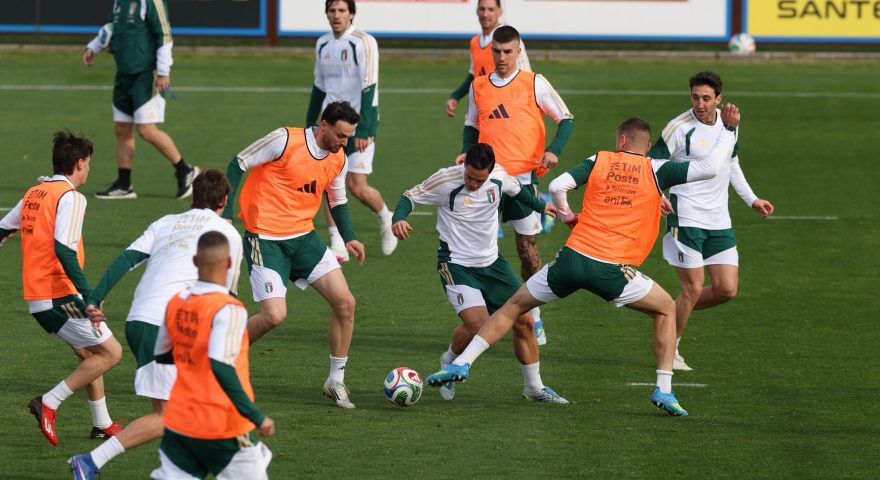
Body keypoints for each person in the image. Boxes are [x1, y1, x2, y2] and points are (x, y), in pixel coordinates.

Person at [428, 108, 744, 417]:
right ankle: (663, 389)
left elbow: (557, 186)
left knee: (513, 306)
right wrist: (728, 131)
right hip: (612, 270)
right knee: (665, 309)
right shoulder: (657, 169)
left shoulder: (599, 159)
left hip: (571, 259)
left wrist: (567, 215)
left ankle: (462, 363)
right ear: (647, 146)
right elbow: (710, 168)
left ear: (621, 139)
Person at [67, 169, 243, 480]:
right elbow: (225, 295)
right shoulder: (227, 235)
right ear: (225, 200)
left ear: (194, 195)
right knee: (168, 415)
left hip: (139, 320)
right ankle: (90, 461)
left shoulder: (166, 222)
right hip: (170, 326)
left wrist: (94, 298)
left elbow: (126, 259)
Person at [391, 143, 566, 403]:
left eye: (479, 180)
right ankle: (449, 361)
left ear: (490, 171)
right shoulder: (446, 180)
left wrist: (540, 206)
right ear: (464, 166)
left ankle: (534, 388)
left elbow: (518, 191)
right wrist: (398, 218)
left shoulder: (499, 177)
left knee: (525, 321)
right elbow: (410, 196)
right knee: (477, 323)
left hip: (493, 264)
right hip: (456, 264)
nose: (473, 184)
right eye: (469, 177)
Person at [223, 101, 366, 409]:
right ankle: (222, 360)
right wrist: (225, 214)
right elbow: (238, 163)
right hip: (265, 238)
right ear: (323, 125)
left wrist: (350, 237)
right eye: (340, 135)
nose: (344, 143)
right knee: (274, 316)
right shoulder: (284, 140)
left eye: (348, 137)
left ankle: (335, 380)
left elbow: (337, 200)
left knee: (346, 302)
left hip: (303, 238)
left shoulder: (338, 158)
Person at [0, 131, 123, 445]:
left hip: (38, 297)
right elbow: (64, 249)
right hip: (59, 295)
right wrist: (90, 297)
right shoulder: (72, 197)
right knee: (111, 352)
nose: (89, 168)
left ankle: (102, 424)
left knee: (90, 355)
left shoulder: (35, 192)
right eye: (89, 163)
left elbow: (3, 228)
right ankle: (49, 402)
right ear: (79, 163)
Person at [646, 71, 774, 371]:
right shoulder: (679, 128)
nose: (700, 104)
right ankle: (671, 349)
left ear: (719, 99)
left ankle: (667, 313)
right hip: (685, 214)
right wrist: (657, 195)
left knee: (726, 289)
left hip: (719, 219)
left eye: (706, 98)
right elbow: (649, 165)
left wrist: (752, 199)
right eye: (695, 97)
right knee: (692, 288)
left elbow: (732, 163)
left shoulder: (729, 124)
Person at [459, 25, 575, 346]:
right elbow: (471, 125)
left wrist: (554, 150)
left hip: (523, 179)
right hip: (486, 179)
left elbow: (566, 119)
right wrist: (467, 154)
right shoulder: (479, 86)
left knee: (527, 251)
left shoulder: (534, 82)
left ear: (518, 51)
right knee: (479, 250)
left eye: (508, 52)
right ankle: (482, 315)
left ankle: (534, 317)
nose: (502, 58)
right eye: (496, 51)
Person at [150, 231, 274, 479]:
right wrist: (256, 416)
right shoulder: (229, 308)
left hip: (180, 421)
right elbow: (220, 365)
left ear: (195, 261)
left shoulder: (177, 301)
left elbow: (163, 354)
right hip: (222, 425)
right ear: (228, 263)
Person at [306, 0, 397, 262]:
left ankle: (385, 217)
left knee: (357, 186)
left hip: (358, 124)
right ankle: (337, 244)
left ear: (352, 14)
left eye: (342, 10)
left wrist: (365, 128)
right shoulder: (322, 43)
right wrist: (310, 122)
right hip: (330, 124)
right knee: (327, 182)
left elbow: (370, 85)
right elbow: (319, 86)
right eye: (332, 11)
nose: (336, 15)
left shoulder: (364, 42)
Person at [83, 0, 198, 199]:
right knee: (122, 128)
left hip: (145, 74)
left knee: (146, 129)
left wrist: (163, 72)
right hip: (124, 74)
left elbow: (164, 34)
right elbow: (111, 28)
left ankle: (185, 170)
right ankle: (124, 184)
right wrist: (93, 47)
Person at [444, 0, 531, 118]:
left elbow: (526, 79)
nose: (485, 14)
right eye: (482, 9)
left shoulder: (509, 41)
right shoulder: (475, 42)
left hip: (504, 113)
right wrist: (456, 96)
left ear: (500, 12)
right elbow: (474, 75)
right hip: (481, 109)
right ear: (477, 11)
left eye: (491, 9)